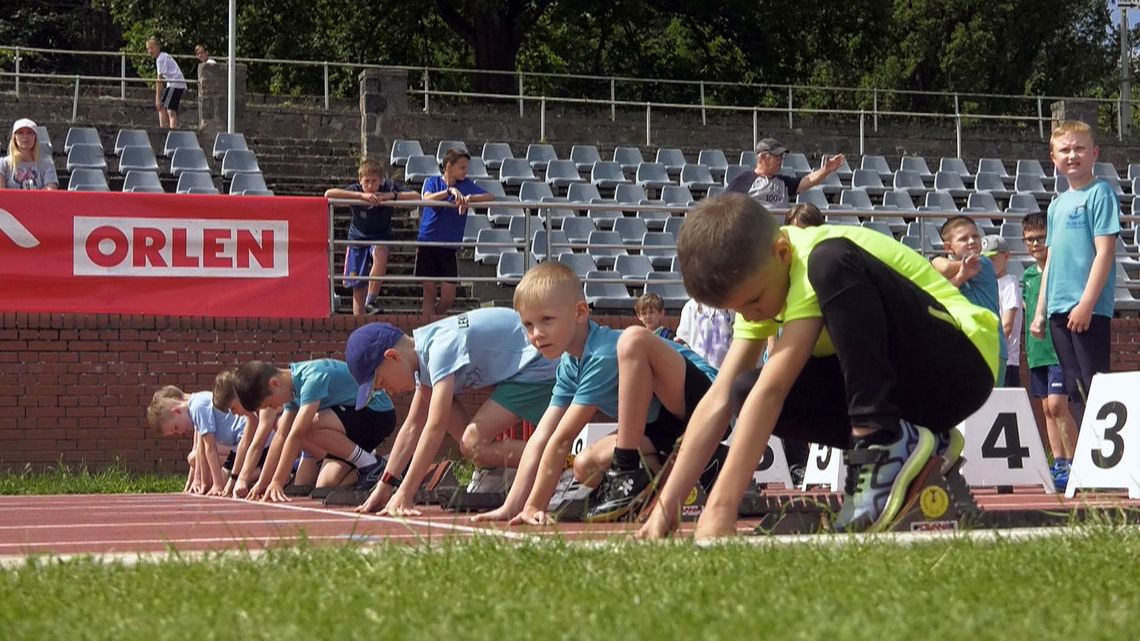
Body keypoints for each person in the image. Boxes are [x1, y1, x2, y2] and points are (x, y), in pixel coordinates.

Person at [638, 193, 999, 540]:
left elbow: (774, 390)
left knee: (831, 261)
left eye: (753, 302)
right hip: (913, 391)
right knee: (742, 390)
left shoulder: (812, 256)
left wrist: (720, 508)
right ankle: (917, 439)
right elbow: (719, 400)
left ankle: (881, 441)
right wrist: (666, 505)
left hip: (960, 365)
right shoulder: (764, 280)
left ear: (781, 253)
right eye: (739, 310)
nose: (750, 315)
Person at [496, 262, 722, 525]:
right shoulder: (570, 365)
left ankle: (626, 470)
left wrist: (536, 503)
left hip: (709, 405)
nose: (536, 334)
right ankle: (697, 470)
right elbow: (543, 437)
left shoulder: (600, 353)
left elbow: (562, 439)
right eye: (528, 324)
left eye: (546, 320)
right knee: (584, 466)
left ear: (580, 312)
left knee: (633, 340)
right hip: (663, 427)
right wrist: (515, 507)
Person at [344, 308, 558, 516]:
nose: (389, 391)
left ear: (393, 356)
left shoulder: (439, 349)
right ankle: (493, 470)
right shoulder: (424, 357)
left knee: (472, 443)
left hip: (537, 366)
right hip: (519, 372)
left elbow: (434, 426)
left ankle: (560, 465)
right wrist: (385, 484)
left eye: (382, 382)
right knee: (465, 436)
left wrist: (405, 493)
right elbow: (412, 427)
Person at [1030, 120, 1120, 423]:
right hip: (1058, 309)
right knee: (1075, 387)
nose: (1072, 155)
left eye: (1079, 148)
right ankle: (1088, 459)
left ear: (1094, 153)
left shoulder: (1100, 193)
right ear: (1053, 159)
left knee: (1094, 384)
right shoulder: (1056, 206)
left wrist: (1087, 304)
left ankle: (1109, 464)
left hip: (1087, 310)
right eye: (1064, 150)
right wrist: (1041, 311)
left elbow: (1105, 252)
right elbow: (1051, 259)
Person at [232, 359, 397, 502]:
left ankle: (371, 465)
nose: (274, 408)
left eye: (269, 404)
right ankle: (381, 463)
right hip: (354, 423)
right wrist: (263, 483)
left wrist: (277, 482)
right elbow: (281, 436)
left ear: (274, 383)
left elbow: (296, 435)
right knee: (325, 484)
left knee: (305, 425)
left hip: (378, 414)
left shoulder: (312, 377)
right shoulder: (292, 389)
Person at [1021, 213, 1079, 491]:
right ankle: (1058, 462)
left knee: (1058, 405)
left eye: (1040, 238)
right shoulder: (1028, 275)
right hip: (1036, 352)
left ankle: (1075, 462)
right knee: (1046, 408)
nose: (1035, 244)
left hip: (1057, 350)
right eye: (1029, 239)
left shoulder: (1058, 271)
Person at [325, 159, 419, 315]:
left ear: (381, 181)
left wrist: (391, 196)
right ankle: (358, 323)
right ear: (360, 181)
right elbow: (328, 194)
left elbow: (416, 197)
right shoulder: (356, 190)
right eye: (366, 181)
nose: (370, 185)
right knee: (358, 287)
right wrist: (360, 196)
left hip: (380, 236)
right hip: (357, 240)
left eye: (374, 181)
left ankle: (372, 299)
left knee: (381, 253)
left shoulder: (388, 187)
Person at [417, 148, 494, 317]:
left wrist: (470, 198)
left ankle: (430, 323)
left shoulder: (466, 185)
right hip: (428, 242)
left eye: (466, 167)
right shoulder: (433, 181)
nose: (465, 171)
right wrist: (449, 192)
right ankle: (428, 327)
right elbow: (426, 198)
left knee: (448, 297)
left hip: (449, 246)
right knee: (429, 293)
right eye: (462, 167)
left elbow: (489, 197)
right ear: (449, 167)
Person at [932, 216, 1007, 385]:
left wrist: (936, 262)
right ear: (948, 247)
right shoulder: (953, 271)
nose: (972, 241)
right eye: (963, 239)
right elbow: (941, 297)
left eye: (975, 236)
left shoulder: (985, 263)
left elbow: (942, 267)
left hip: (990, 346)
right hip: (961, 347)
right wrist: (960, 276)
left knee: (989, 405)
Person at [147, 384, 256, 497]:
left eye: (176, 428)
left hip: (245, 435)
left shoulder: (197, 407)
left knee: (218, 480)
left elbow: (210, 448)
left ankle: (257, 472)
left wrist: (217, 484)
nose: (180, 432)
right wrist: (200, 482)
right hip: (238, 441)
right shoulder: (195, 406)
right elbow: (201, 449)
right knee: (220, 481)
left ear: (177, 411)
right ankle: (248, 474)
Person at [726, 138, 846, 208]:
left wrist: (826, 170)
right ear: (762, 157)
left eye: (782, 157)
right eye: (777, 156)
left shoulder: (783, 182)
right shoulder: (743, 180)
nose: (781, 160)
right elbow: (725, 207)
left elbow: (807, 181)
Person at [982, 235, 1023, 386]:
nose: (987, 264)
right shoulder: (988, 283)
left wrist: (991, 347)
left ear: (1006, 257)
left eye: (992, 259)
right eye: (984, 259)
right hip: (991, 358)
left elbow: (1007, 326)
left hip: (1006, 360)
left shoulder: (1010, 283)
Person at [675, 299, 734, 369]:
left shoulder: (733, 307)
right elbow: (683, 341)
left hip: (728, 370)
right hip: (700, 370)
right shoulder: (691, 307)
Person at [2, 119, 58, 190]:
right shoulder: (3, 164)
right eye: (20, 133)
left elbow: (50, 192)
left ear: (35, 137)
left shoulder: (47, 165)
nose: (25, 136)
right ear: (14, 138)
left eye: (30, 133)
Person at [145, 36, 186, 129]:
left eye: (152, 48)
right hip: (174, 83)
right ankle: (165, 129)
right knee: (164, 107)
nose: (150, 51)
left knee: (169, 110)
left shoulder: (161, 58)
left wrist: (157, 99)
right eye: (148, 49)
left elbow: (159, 80)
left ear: (158, 47)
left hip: (175, 83)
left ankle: (170, 132)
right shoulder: (162, 57)